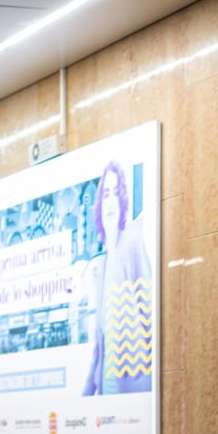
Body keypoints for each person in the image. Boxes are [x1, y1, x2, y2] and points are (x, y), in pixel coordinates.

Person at [81, 160, 154, 395]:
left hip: (134, 394)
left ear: (122, 201)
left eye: (115, 193)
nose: (110, 201)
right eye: (105, 194)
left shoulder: (132, 242)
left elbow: (150, 314)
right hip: (107, 397)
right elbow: (98, 350)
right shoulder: (101, 264)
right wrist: (82, 399)